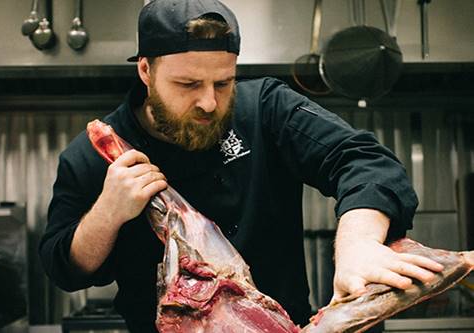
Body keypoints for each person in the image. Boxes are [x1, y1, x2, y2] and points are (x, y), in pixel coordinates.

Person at [39, 0, 444, 332]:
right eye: (188, 85)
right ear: (145, 70)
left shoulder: (266, 108)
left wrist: (359, 245)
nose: (209, 103)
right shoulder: (96, 151)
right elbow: (64, 269)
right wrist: (107, 214)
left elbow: (362, 160)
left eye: (223, 83)